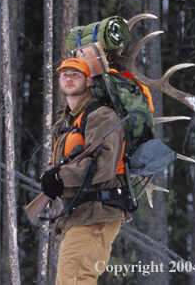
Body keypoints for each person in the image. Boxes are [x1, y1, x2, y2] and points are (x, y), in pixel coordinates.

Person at [40, 57, 132, 285]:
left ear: (88, 80)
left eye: (76, 74)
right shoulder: (65, 124)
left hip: (97, 214)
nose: (69, 78)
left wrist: (61, 177)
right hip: (78, 214)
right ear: (59, 79)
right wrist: (51, 180)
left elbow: (103, 166)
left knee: (75, 278)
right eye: (65, 74)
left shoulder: (101, 115)